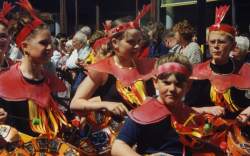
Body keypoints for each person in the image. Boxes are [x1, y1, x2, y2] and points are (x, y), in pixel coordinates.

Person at [70, 4, 155, 155]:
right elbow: (75, 103)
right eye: (131, 42)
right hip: (116, 144)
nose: (137, 46)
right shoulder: (103, 70)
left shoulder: (147, 67)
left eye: (139, 41)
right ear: (115, 43)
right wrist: (106, 104)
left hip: (146, 138)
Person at [185, 5, 250, 155]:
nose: (216, 46)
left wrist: (247, 112)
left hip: (243, 132)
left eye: (221, 42)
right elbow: (185, 108)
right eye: (212, 42)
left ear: (233, 45)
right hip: (206, 134)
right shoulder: (197, 72)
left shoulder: (246, 70)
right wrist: (207, 109)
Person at [0, 0, 68, 138]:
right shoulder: (4, 80)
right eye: (43, 43)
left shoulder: (48, 77)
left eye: (50, 43)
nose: (50, 48)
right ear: (25, 47)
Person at [111, 53, 194, 156]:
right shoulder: (142, 114)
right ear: (155, 82)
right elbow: (118, 146)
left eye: (178, 84)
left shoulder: (191, 115)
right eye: (167, 83)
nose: (172, 89)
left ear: (188, 86)